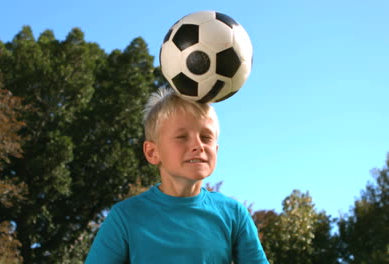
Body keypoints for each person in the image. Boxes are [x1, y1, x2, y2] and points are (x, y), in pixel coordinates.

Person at [85, 88, 268, 264]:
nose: (198, 145)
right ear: (152, 152)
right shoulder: (125, 217)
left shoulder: (234, 214)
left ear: (217, 151)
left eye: (206, 137)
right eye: (182, 137)